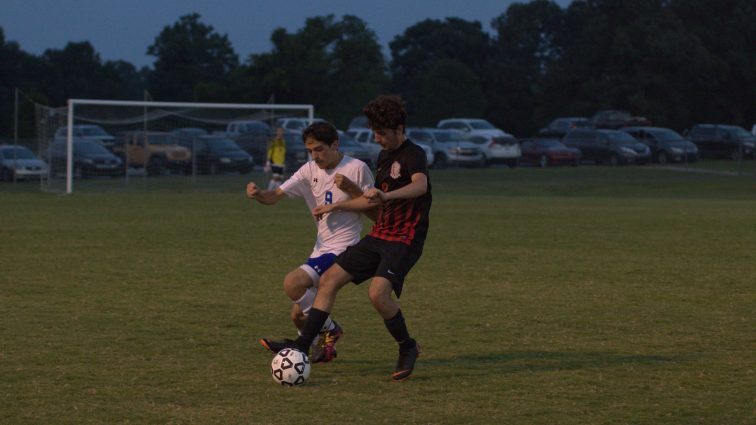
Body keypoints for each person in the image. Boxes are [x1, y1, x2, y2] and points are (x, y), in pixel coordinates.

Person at [261, 95, 432, 381]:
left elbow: (420, 186)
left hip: (405, 237)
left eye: (382, 133)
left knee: (378, 294)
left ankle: (407, 347)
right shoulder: (383, 156)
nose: (377, 139)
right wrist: (337, 205)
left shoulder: (413, 154)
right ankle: (302, 346)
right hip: (380, 234)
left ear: (399, 129)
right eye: (375, 132)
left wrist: (385, 196)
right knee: (329, 280)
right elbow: (368, 202)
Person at [247, 121, 375, 363]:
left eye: (319, 149)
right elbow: (273, 196)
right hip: (321, 248)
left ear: (335, 144)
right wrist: (257, 194)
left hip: (344, 248)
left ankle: (327, 331)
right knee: (298, 316)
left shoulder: (357, 168)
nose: (315, 156)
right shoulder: (308, 171)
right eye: (310, 151)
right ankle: (321, 349)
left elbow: (375, 208)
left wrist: (351, 191)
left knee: (292, 283)